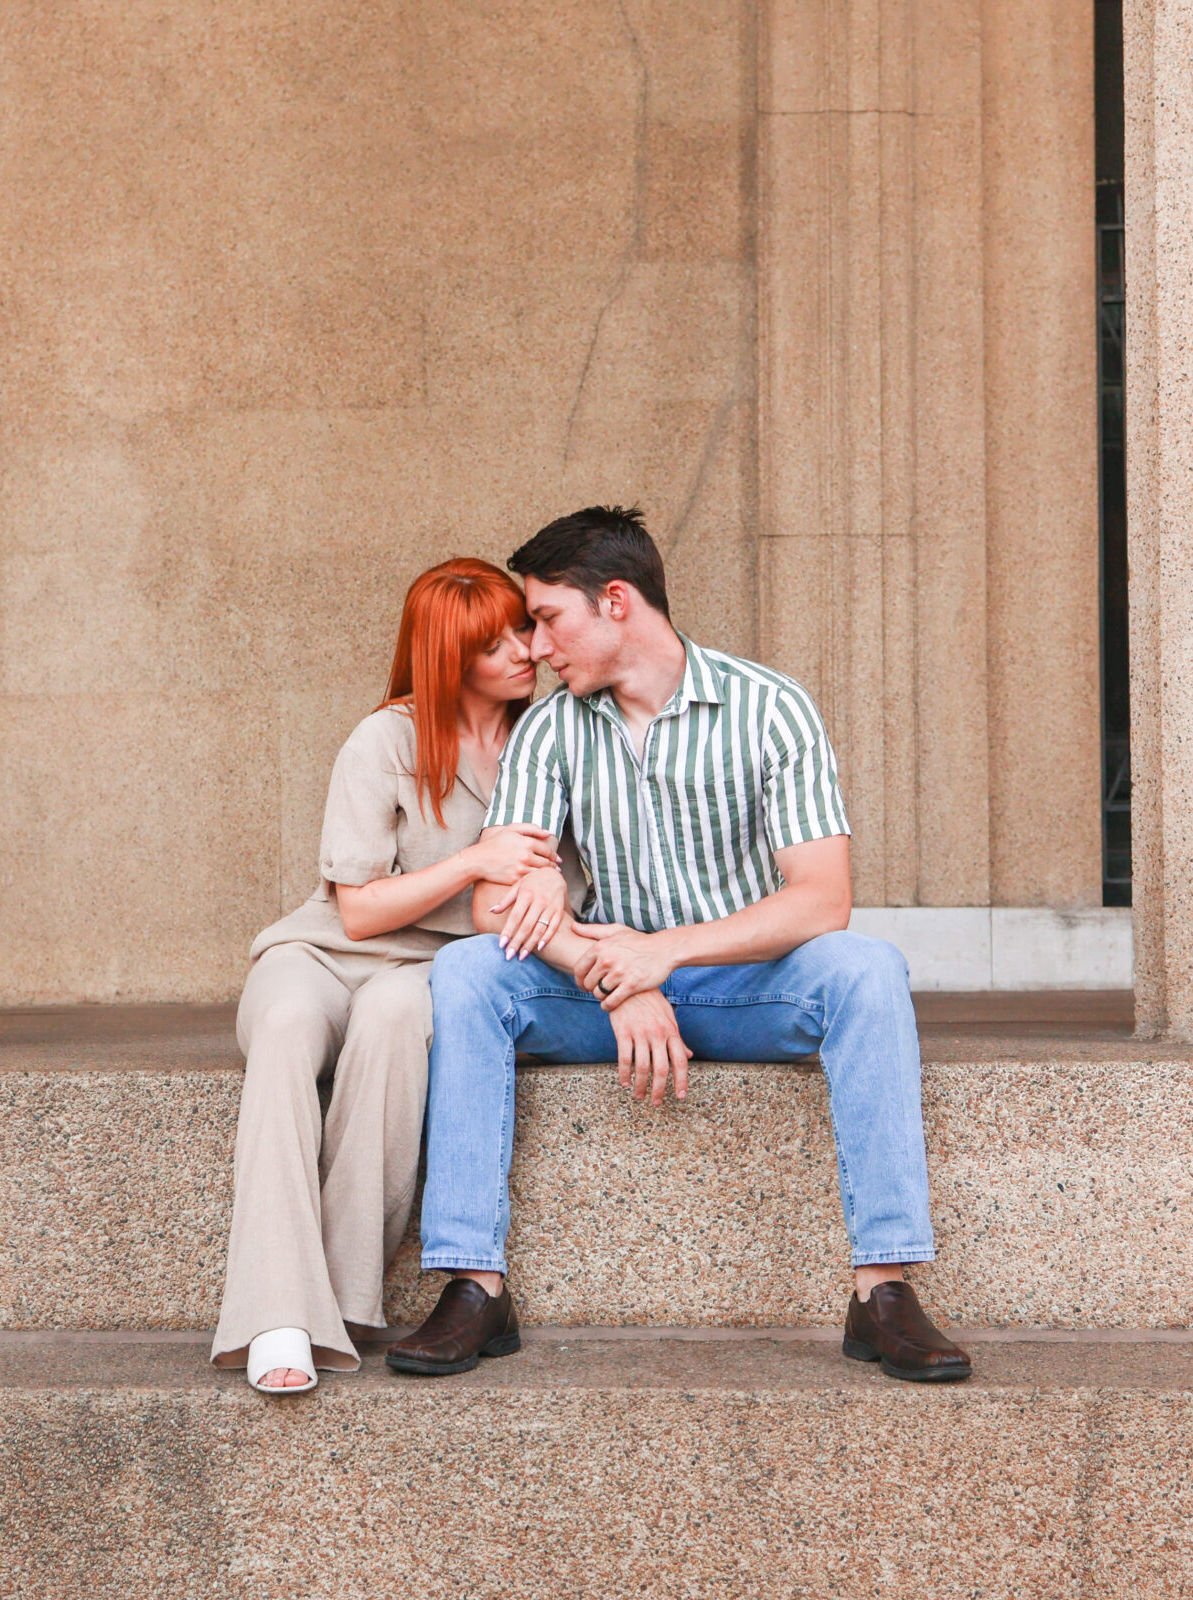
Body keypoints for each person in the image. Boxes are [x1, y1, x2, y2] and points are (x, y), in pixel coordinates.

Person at [387, 506, 973, 1383]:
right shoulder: (553, 729)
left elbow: (823, 899)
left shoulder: (770, 708)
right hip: (605, 990)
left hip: (747, 985)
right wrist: (617, 975)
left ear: (615, 601)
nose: (538, 646)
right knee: (469, 973)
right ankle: (474, 1284)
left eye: (548, 618)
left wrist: (668, 955)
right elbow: (493, 905)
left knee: (869, 969)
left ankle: (882, 1289)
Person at [212, 559, 575, 1393]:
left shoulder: (549, 740)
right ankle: (274, 1313)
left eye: (524, 628)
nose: (526, 650)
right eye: (497, 643)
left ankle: (335, 1302)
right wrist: (477, 859)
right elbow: (361, 910)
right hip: (321, 953)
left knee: (394, 1020)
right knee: (282, 1031)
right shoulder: (386, 739)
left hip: (431, 968)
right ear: (449, 658)